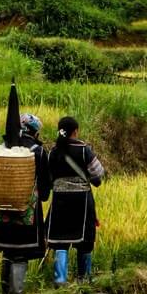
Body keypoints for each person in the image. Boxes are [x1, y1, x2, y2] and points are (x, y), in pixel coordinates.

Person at [0, 112, 51, 294]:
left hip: (2, 208)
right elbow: (44, 185)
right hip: (26, 211)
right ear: (35, 132)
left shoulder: (1, 149)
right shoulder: (38, 152)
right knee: (20, 254)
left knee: (7, 251)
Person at [46, 115, 105, 285]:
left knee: (60, 240)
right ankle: (84, 279)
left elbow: (49, 177)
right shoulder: (84, 149)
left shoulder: (53, 152)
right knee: (85, 240)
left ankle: (60, 278)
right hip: (82, 201)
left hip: (60, 200)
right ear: (75, 131)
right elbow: (98, 172)